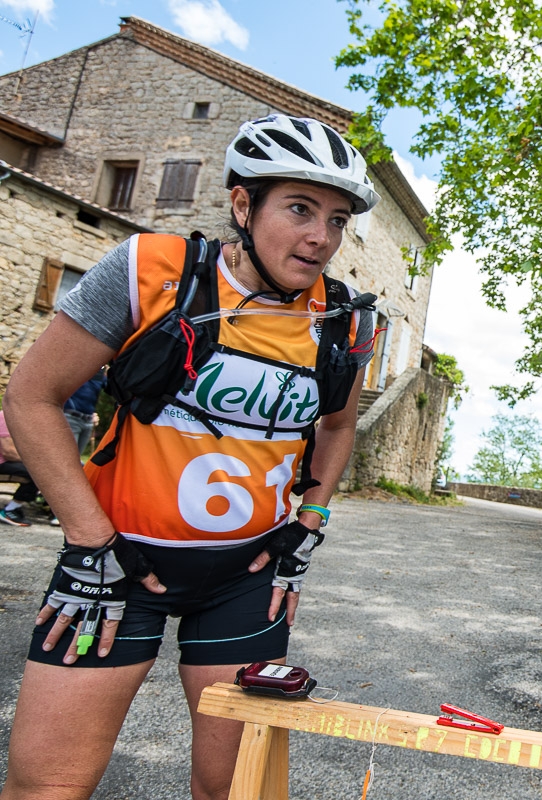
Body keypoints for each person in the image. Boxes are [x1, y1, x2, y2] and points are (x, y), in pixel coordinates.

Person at [0, 114, 380, 800]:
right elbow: (31, 397)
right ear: (242, 204)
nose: (320, 236)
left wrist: (310, 522)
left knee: (238, 791)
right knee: (46, 787)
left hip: (246, 580)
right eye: (298, 208)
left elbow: (337, 424)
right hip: (112, 566)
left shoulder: (346, 320)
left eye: (336, 218)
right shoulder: (151, 270)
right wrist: (89, 541)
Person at [0, 409, 40, 526]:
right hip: (3, 461)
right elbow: (9, 452)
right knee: (39, 472)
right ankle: (10, 510)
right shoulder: (6, 416)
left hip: (6, 461)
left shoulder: (24, 418)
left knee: (42, 469)